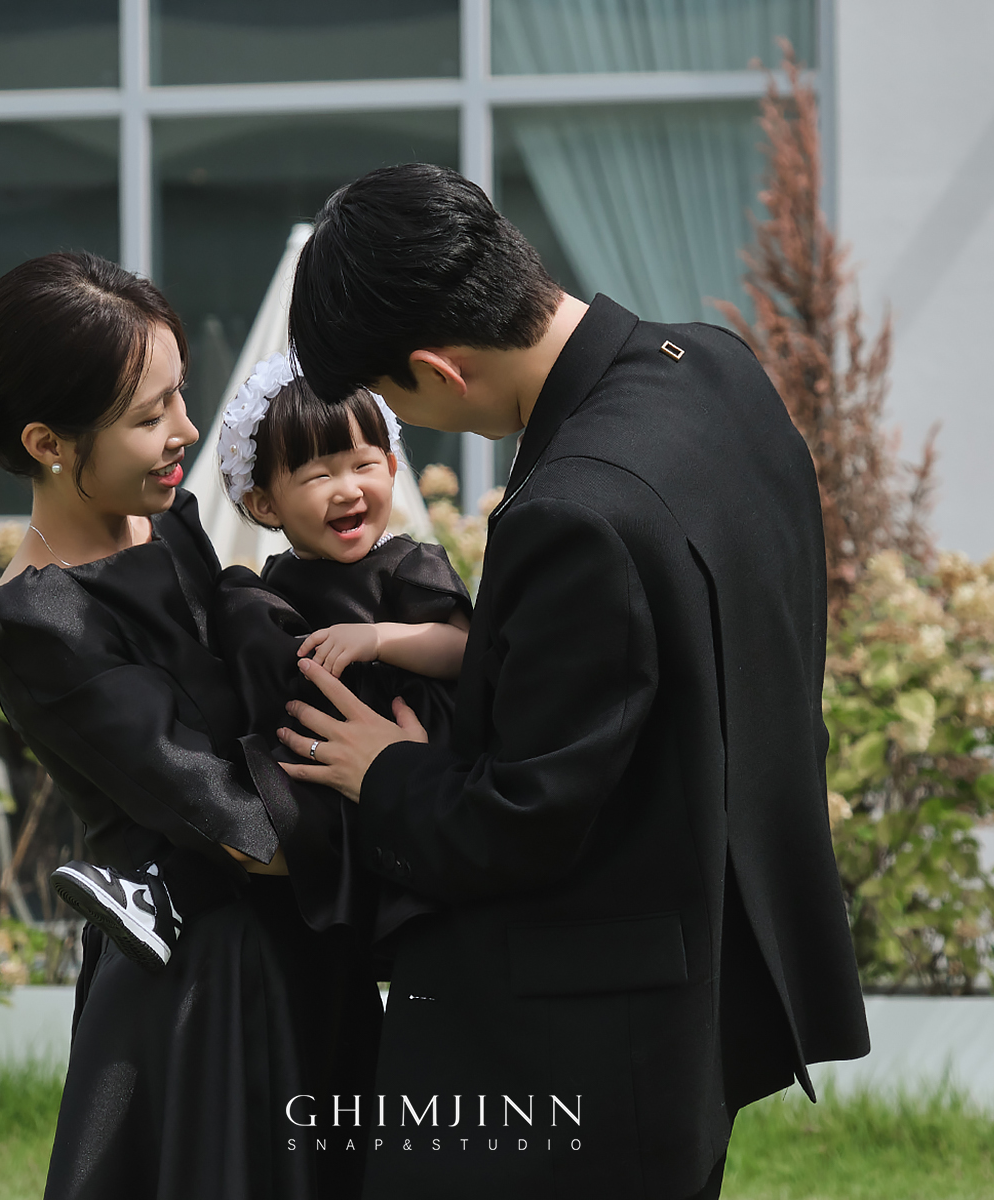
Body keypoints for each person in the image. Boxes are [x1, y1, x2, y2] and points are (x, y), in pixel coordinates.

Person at [277, 164, 871, 1200]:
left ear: (437, 369)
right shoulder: (716, 366)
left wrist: (388, 773)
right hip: (705, 970)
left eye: (392, 399)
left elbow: (523, 816)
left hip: (581, 1039)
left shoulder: (574, 511)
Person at [0, 251, 377, 1200]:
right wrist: (411, 796)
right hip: (211, 992)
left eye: (181, 396)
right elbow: (245, 832)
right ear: (48, 442)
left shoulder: (165, 521)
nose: (185, 432)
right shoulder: (45, 622)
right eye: (149, 418)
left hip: (306, 945)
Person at [54, 350, 471, 959]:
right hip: (313, 745)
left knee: (285, 805)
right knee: (259, 797)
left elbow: (464, 650)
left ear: (390, 465)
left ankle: (164, 894)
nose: (348, 490)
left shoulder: (407, 564)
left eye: (364, 465)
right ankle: (163, 895)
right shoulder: (274, 584)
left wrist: (378, 638)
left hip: (403, 736)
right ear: (265, 504)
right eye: (319, 476)